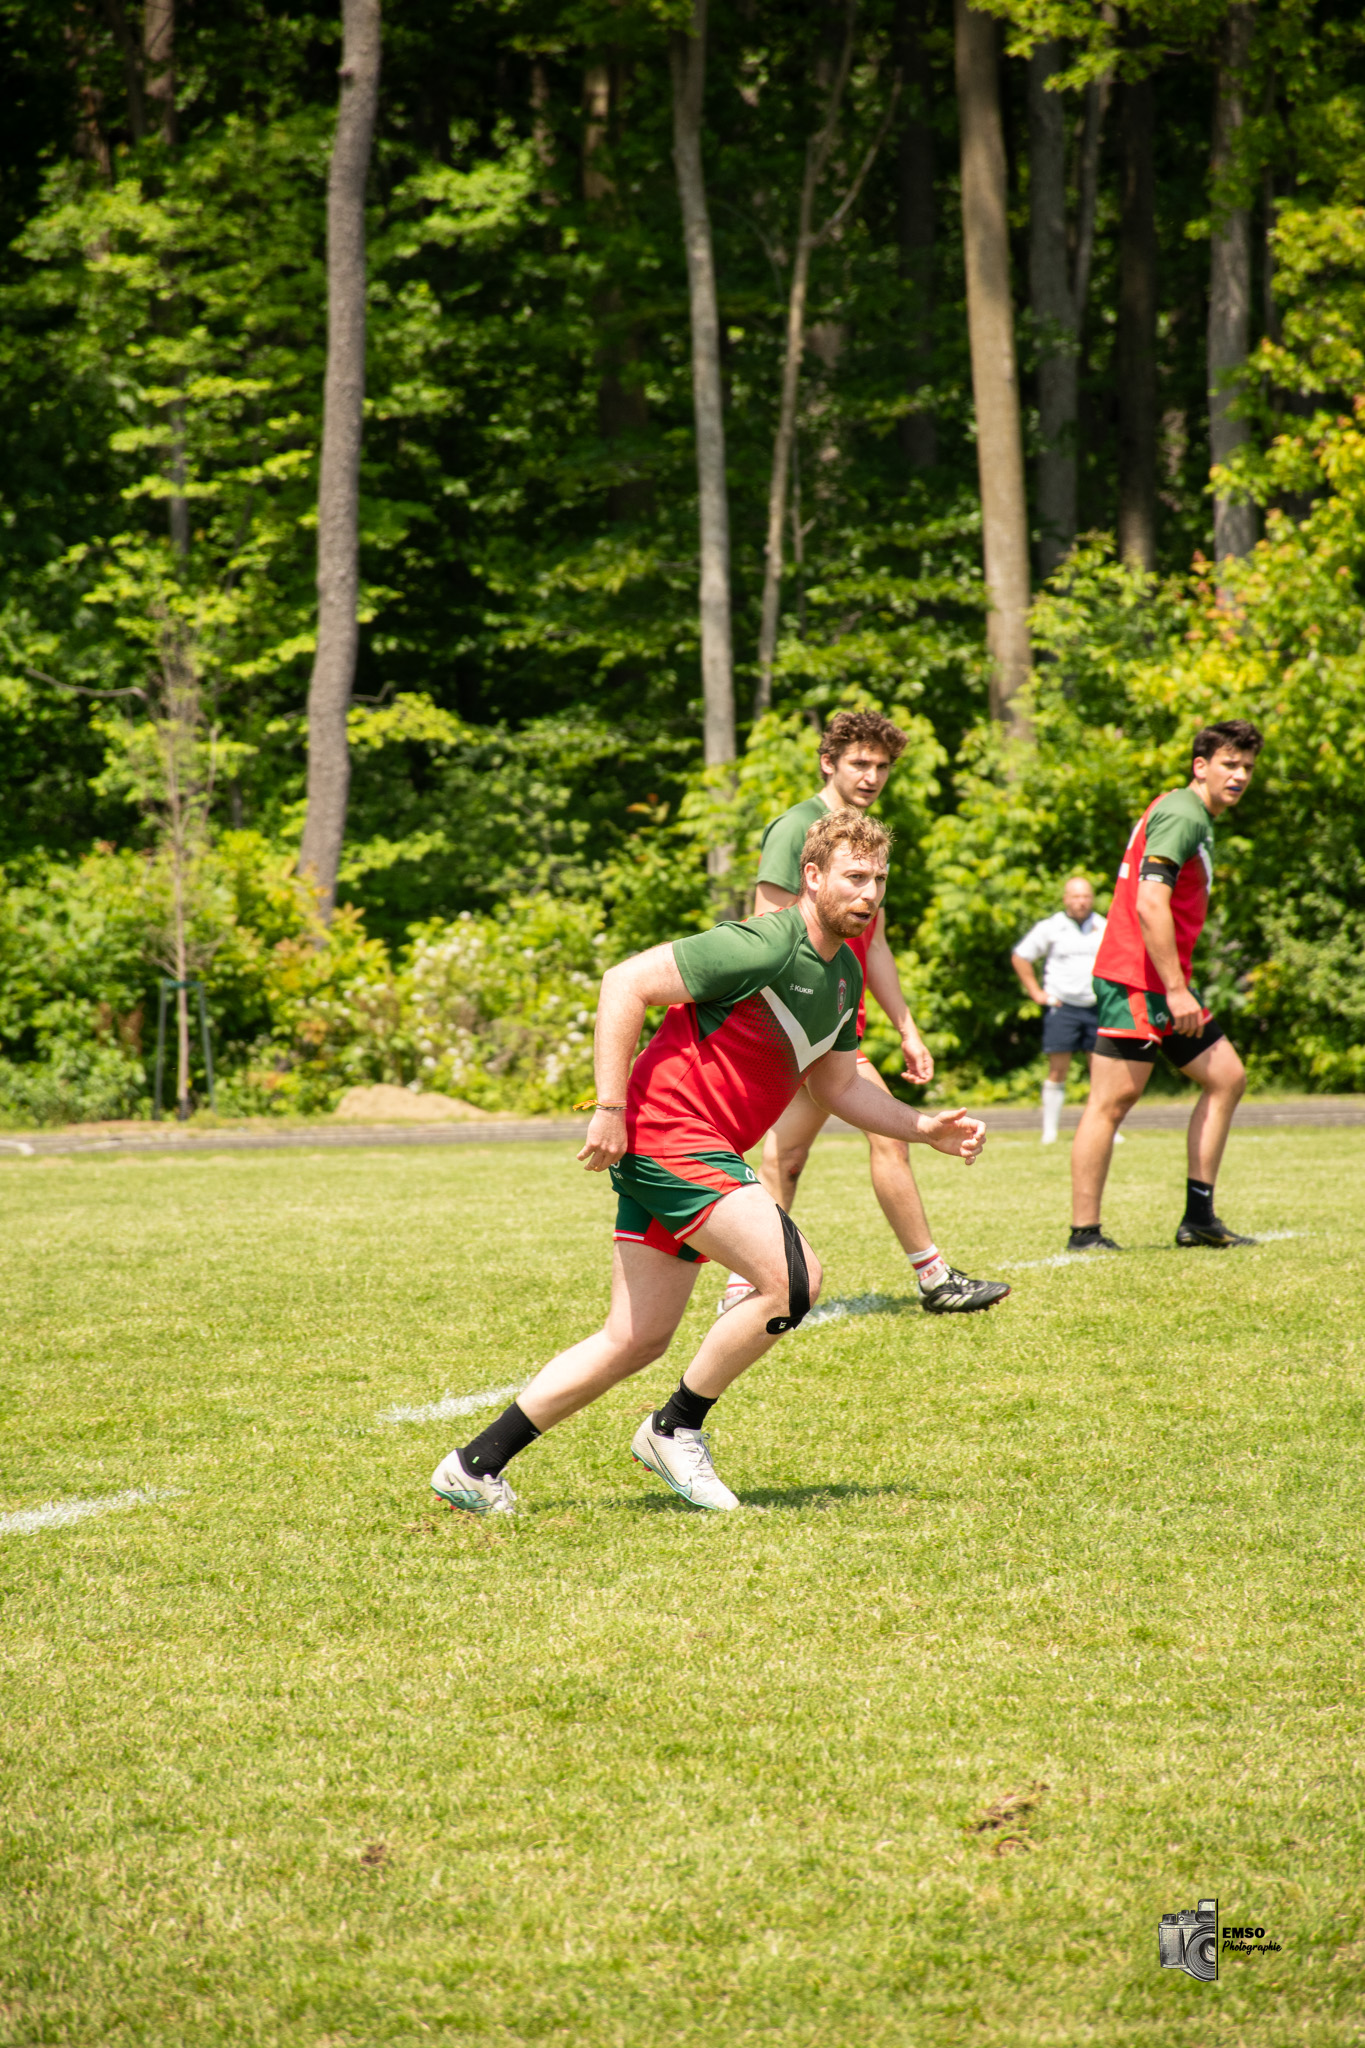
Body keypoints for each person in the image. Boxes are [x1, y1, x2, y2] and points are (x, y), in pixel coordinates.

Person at [429, 809, 987, 1518]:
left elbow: (838, 1085)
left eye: (878, 880)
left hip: (695, 1149)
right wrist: (609, 1107)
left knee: (634, 1338)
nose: (869, 893)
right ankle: (674, 1428)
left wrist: (922, 1126)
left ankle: (474, 1466)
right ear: (811, 877)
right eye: (853, 877)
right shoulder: (760, 944)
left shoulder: (843, 974)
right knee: (794, 1280)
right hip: (670, 1136)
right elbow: (623, 982)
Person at [718, 708, 1008, 1318]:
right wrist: (779, 1026)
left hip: (835, 1022)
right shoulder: (796, 827)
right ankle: (934, 1277)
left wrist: (907, 1028)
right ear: (829, 762)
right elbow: (763, 930)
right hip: (795, 1022)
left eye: (883, 766)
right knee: (890, 1135)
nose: (873, 776)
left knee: (786, 1157)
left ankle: (741, 1289)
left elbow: (874, 944)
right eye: (860, 763)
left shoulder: (868, 843)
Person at [1067, 719, 1264, 1252]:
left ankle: (1199, 1218)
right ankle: (1085, 1234)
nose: (1240, 775)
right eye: (1229, 764)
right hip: (1140, 978)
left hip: (1162, 980)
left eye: (1247, 766)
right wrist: (1176, 991)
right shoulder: (1183, 813)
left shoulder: (1192, 814)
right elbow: (1149, 901)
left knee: (1226, 1076)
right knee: (1112, 1100)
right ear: (1201, 766)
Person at [1011, 877, 1107, 1143]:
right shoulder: (1051, 927)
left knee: (1101, 1070)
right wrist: (1036, 993)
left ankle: (1108, 1128)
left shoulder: (1104, 926)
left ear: (1092, 898)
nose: (1081, 901)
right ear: (1066, 898)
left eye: (1086, 896)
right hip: (1062, 1006)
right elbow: (1021, 956)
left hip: (1096, 1005)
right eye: (1075, 896)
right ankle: (1050, 1131)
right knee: (1058, 1069)